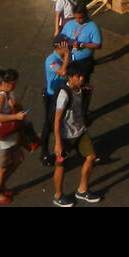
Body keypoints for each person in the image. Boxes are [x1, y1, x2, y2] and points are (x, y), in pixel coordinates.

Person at [52, 62, 102, 206]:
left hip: (80, 132)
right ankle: (58, 195)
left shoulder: (81, 89)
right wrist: (58, 143)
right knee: (61, 165)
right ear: (70, 77)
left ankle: (82, 190)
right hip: (65, 136)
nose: (82, 79)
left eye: (83, 76)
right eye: (78, 76)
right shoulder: (64, 95)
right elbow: (56, 120)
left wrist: (88, 94)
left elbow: (83, 108)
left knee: (91, 156)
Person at [0, 68, 29, 204]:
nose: (17, 84)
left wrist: (16, 106)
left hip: (9, 138)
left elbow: (17, 106)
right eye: (15, 81)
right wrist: (15, 116)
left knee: (18, 159)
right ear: (10, 82)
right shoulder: (1, 96)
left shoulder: (9, 93)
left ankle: (1, 186)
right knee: (2, 168)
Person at [66, 7, 103, 117]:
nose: (78, 20)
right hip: (70, 60)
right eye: (76, 17)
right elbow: (62, 38)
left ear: (86, 15)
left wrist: (84, 45)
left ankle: (83, 111)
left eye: (80, 18)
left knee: (83, 87)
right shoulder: (69, 24)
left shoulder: (93, 27)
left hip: (84, 62)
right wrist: (71, 42)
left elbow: (98, 45)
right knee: (69, 85)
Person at [42, 35, 71, 166]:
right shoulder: (51, 60)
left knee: (64, 121)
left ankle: (63, 147)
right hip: (52, 96)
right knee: (50, 124)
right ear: (59, 46)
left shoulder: (63, 57)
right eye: (65, 44)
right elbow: (63, 72)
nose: (68, 46)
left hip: (63, 93)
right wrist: (67, 56)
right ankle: (44, 152)